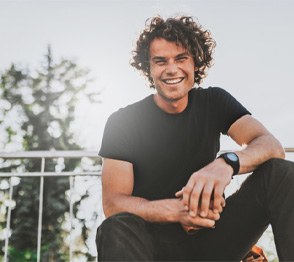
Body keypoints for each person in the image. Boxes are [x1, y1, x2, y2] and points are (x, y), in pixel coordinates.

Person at [96, 16, 294, 261]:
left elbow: (271, 145)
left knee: (282, 173)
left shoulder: (214, 101)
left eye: (181, 59)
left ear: (196, 63)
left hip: (211, 238)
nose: (171, 69)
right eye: (160, 61)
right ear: (148, 67)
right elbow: (113, 203)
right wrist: (177, 211)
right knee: (116, 227)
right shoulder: (123, 121)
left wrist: (226, 163)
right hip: (153, 245)